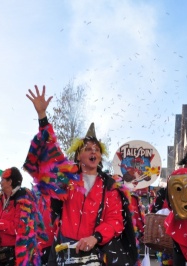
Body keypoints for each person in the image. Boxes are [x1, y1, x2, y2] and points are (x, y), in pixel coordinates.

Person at [24, 85, 138, 265]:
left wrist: (96, 237)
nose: (93, 152)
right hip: (64, 250)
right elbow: (51, 151)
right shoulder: (67, 178)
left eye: (97, 150)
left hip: (96, 252)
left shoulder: (109, 186)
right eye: (87, 149)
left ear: (100, 156)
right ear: (78, 155)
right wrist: (42, 117)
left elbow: (115, 220)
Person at [0, 167, 46, 266]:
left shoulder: (23, 200)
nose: (0, 183)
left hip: (17, 254)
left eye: (2, 180)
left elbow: (20, 227)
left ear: (10, 182)